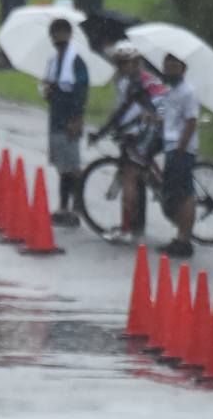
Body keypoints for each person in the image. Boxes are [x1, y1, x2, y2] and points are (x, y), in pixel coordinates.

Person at [88, 40, 165, 242]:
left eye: (125, 63)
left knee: (130, 175)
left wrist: (103, 133)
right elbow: (124, 113)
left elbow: (129, 112)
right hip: (154, 125)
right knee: (137, 163)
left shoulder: (140, 82)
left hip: (156, 126)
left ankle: (126, 230)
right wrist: (105, 132)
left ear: (135, 63)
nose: (120, 67)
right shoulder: (134, 80)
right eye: (118, 63)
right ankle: (156, 189)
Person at [41, 18, 89, 226]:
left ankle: (76, 209)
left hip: (70, 119)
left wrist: (77, 119)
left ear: (69, 35)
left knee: (73, 167)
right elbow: (52, 87)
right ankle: (63, 206)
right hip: (56, 118)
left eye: (62, 33)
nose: (58, 38)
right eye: (55, 34)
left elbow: (81, 90)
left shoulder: (76, 62)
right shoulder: (53, 62)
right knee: (62, 166)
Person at [157, 54, 200, 258]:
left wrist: (182, 145)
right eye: (168, 66)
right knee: (176, 193)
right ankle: (180, 236)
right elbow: (168, 118)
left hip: (180, 148)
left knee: (184, 194)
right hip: (171, 146)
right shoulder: (171, 92)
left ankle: (184, 240)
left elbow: (191, 121)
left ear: (183, 68)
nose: (170, 70)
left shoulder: (188, 92)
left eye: (175, 66)